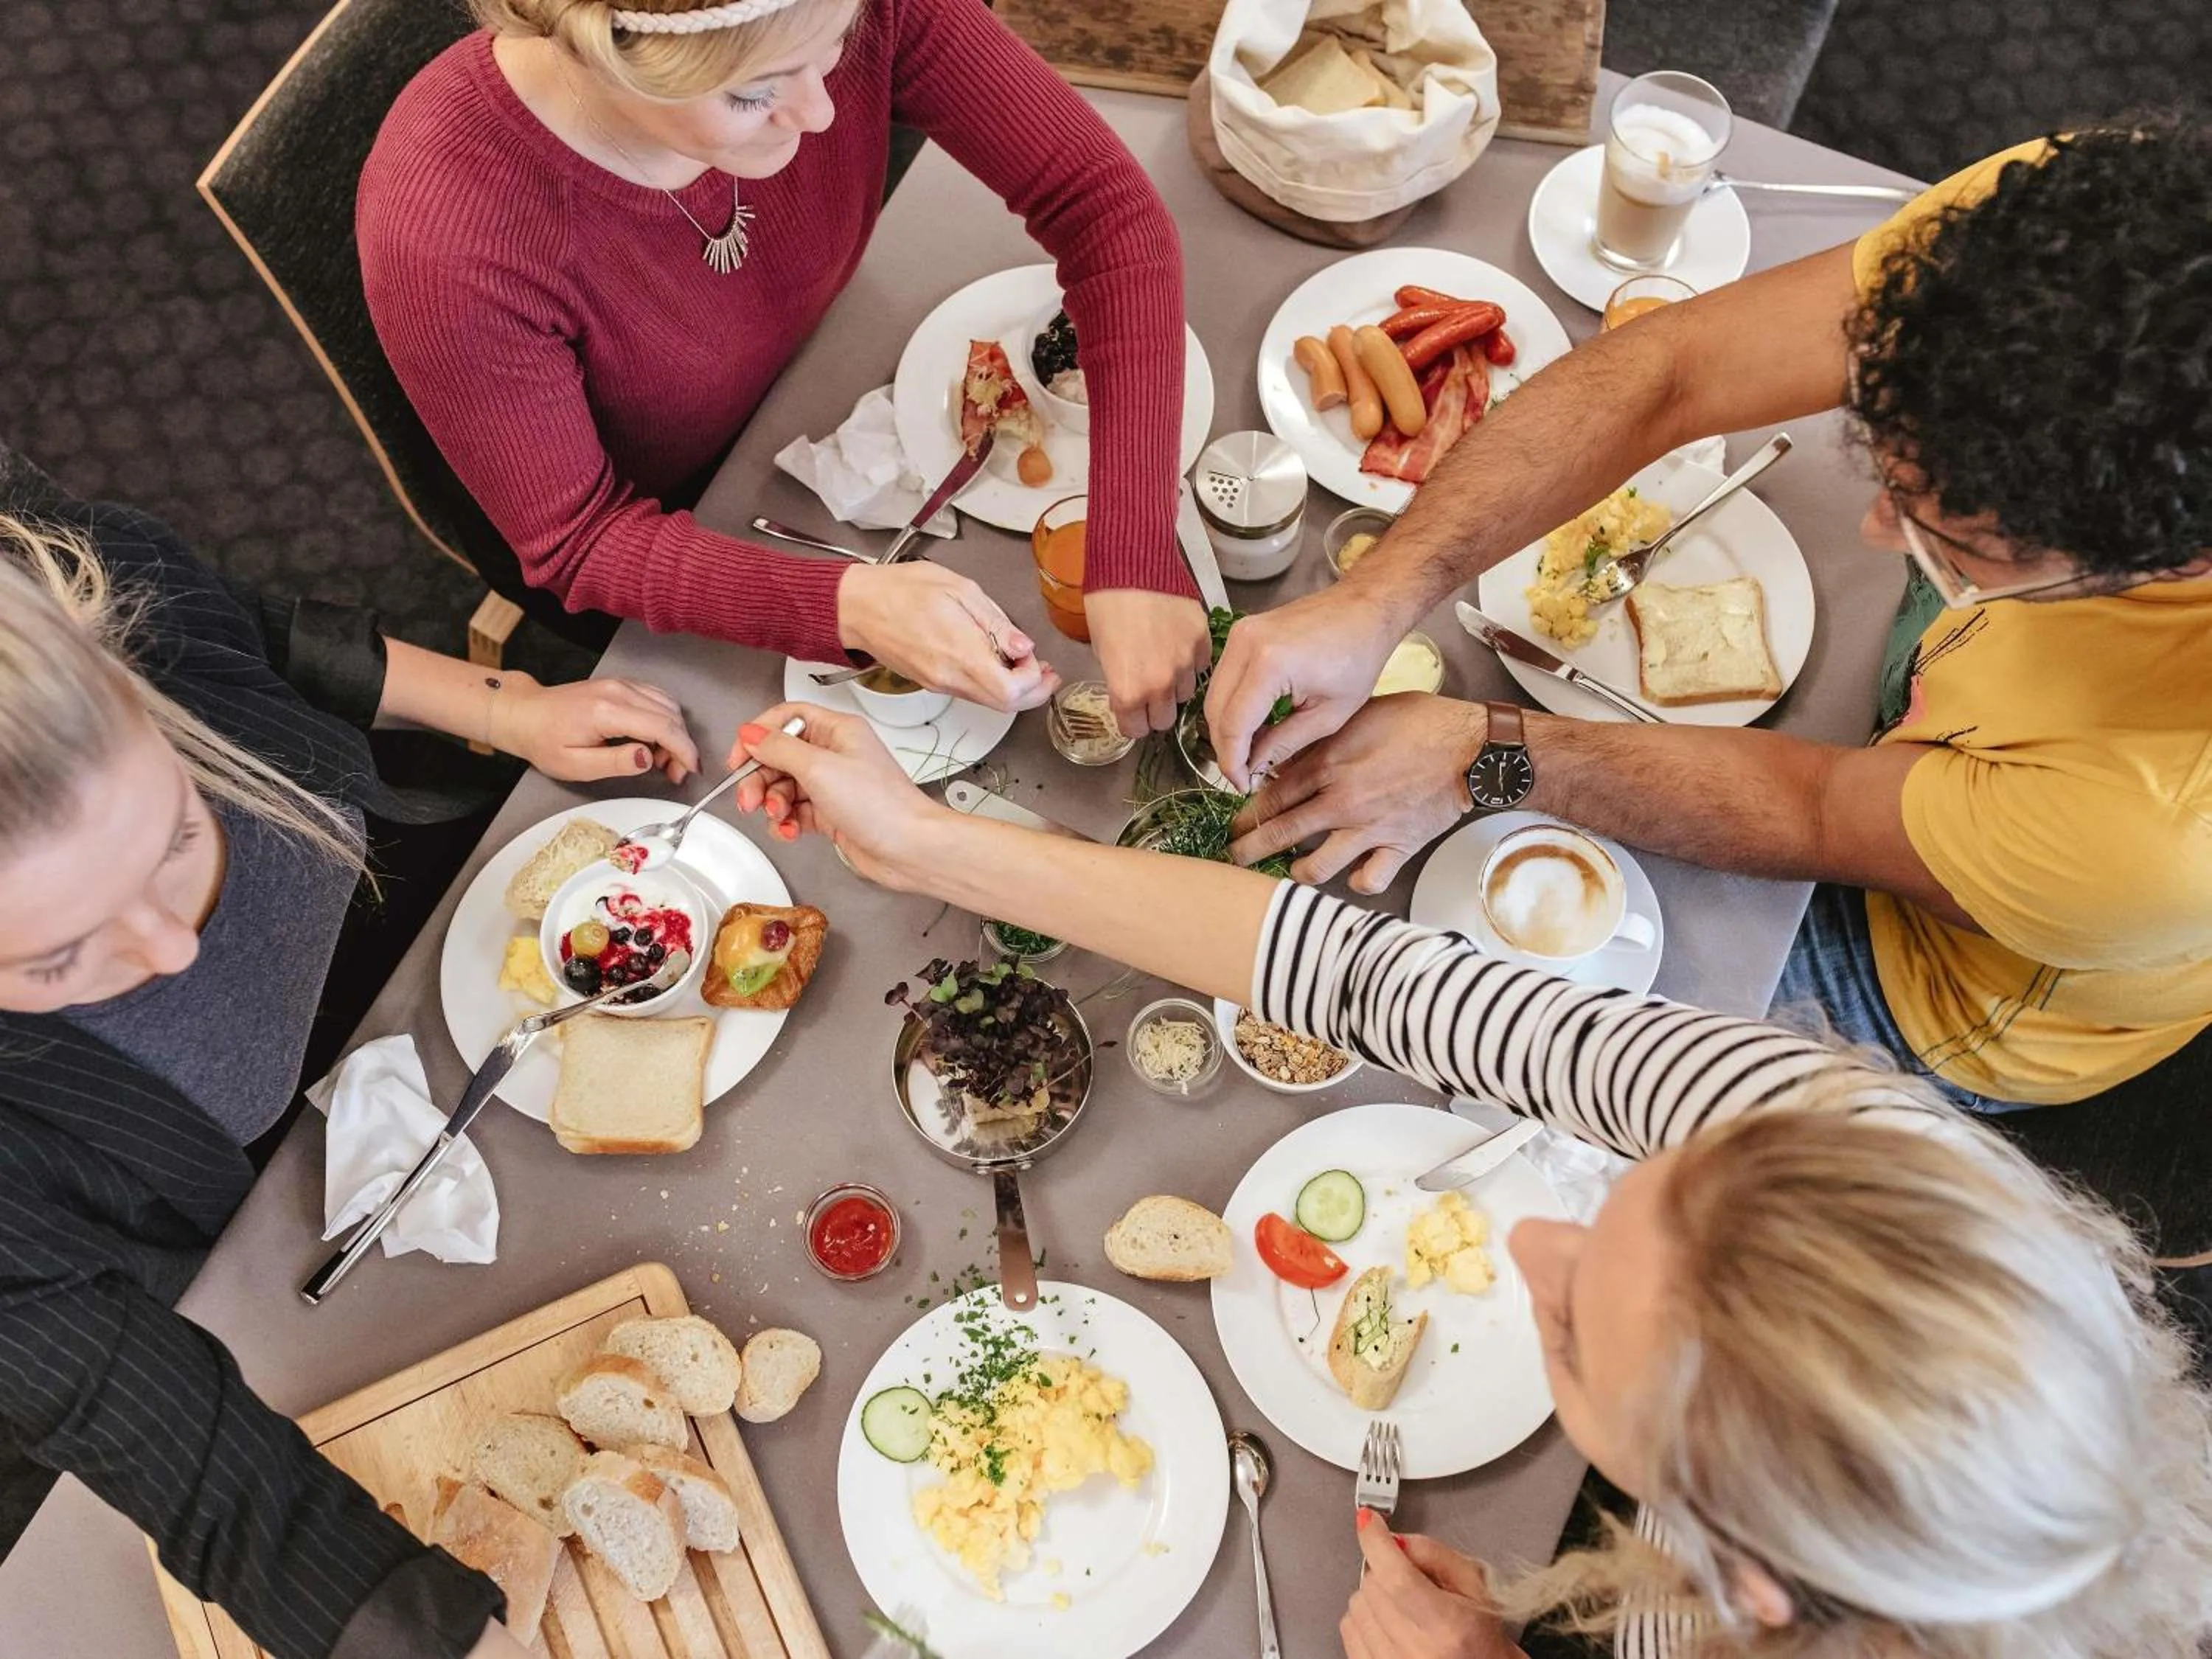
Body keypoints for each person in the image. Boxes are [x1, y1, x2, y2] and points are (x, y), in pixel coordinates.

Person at [727, 704, 2212, 1659]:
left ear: (1737, 1576)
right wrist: (929, 841)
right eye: (1637, 1193)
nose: (1533, 1254)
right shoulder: (1821, 1126)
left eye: (1570, 1334)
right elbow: (1357, 972)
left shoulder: (1723, 1611)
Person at [1200, 123, 2212, 1110]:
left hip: (1935, 968)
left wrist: (1482, 752)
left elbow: (1820, 809)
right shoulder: (2096, 256)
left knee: (1515, 1053)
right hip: (1958, 736)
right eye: (1894, 469)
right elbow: (1674, 370)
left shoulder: (2157, 827)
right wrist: (1381, 595)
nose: (1874, 530)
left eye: (1953, 540)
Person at [0, 469, 702, 1658]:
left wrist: (508, 709)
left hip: (424, 973)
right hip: (271, 1259)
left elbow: (262, 634)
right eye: (63, 957)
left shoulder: (92, 580)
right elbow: (195, 1463)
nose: (173, 947)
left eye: (174, 832)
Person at [360, 0, 1212, 734]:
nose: (821, 115)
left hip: (820, 369)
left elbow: (1105, 211)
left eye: (835, 46)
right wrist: (849, 604)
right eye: (754, 93)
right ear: (605, 57)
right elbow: (581, 541)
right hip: (660, 529)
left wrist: (1134, 541)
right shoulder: (448, 234)